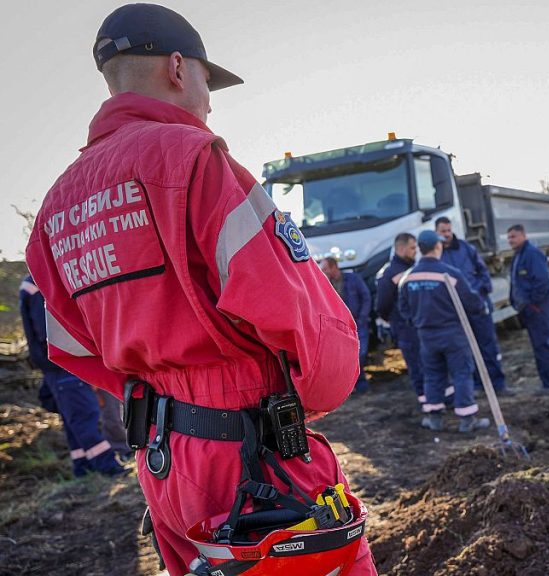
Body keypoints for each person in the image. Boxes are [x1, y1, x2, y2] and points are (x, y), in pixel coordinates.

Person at [24, 4, 375, 574]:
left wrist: (163, 395)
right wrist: (301, 394)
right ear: (180, 68)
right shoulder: (195, 160)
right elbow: (299, 310)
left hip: (162, 462)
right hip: (251, 453)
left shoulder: (56, 207)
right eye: (209, 83)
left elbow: (71, 344)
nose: (209, 101)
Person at [18, 276, 126, 478]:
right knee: (84, 416)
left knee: (74, 419)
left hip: (57, 365)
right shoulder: (40, 283)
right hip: (64, 363)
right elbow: (48, 330)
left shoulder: (33, 282)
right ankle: (109, 467)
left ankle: (83, 467)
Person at [399, 230, 491, 433]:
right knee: (461, 373)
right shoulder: (449, 274)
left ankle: (434, 419)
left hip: (426, 336)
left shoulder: (408, 277)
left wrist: (417, 322)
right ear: (437, 247)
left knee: (432, 375)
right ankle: (467, 420)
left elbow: (403, 308)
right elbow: (471, 301)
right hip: (452, 333)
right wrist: (482, 308)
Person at [436, 217, 514, 396]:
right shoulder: (437, 254)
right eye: (443, 231)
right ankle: (478, 386)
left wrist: (478, 293)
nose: (447, 235)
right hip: (455, 310)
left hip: (478, 307)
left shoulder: (466, 249)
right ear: (436, 232)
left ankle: (498, 384)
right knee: (466, 350)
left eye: (449, 230)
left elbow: (483, 273)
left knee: (488, 346)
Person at [507, 224, 549, 394]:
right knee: (544, 344)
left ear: (523, 236)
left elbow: (543, 284)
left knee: (543, 346)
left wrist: (532, 305)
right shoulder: (519, 255)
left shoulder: (532, 254)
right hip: (531, 310)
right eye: (509, 237)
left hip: (538, 310)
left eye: (514, 237)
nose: (511, 240)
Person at [376, 233, 426, 406]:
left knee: (428, 363)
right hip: (404, 327)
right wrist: (395, 321)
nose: (415, 251)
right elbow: (382, 305)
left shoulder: (415, 267)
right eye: (412, 248)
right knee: (416, 365)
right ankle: (426, 401)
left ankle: (438, 399)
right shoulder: (389, 273)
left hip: (419, 325)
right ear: (401, 248)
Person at [321, 256, 372, 392]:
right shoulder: (326, 284)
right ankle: (354, 385)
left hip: (358, 323)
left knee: (360, 354)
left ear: (334, 267)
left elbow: (366, 296)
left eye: (325, 268)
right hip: (340, 327)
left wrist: (362, 317)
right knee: (347, 357)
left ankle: (360, 384)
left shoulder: (353, 279)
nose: (323, 271)